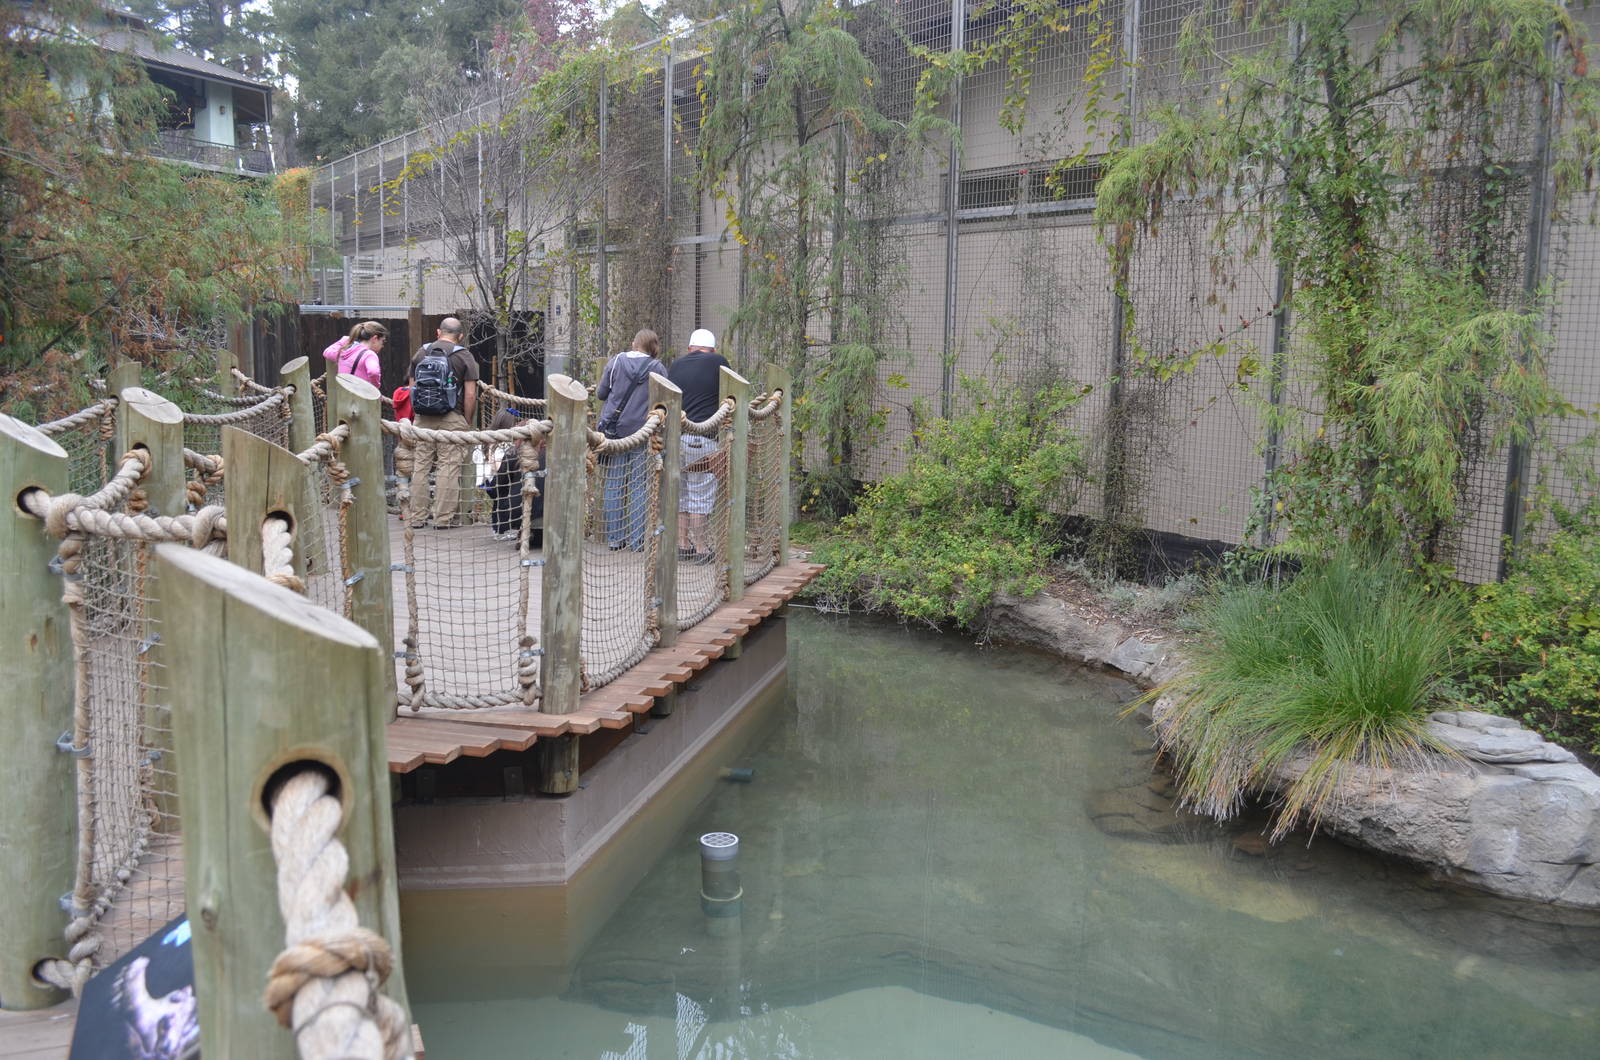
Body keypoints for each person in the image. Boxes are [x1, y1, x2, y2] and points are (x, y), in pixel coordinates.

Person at [595, 329, 668, 550]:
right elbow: (665, 400)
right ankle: (638, 541)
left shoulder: (616, 361)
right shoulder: (657, 368)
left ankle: (615, 539)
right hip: (642, 431)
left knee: (614, 483)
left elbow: (600, 394)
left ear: (634, 343)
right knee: (638, 485)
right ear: (654, 346)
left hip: (615, 431)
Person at [406, 317, 480, 529]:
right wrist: (465, 419)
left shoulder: (422, 353)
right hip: (452, 417)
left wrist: (417, 415)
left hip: (423, 418)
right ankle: (442, 519)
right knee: (448, 468)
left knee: (421, 466)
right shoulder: (464, 356)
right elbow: (470, 394)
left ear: (438, 332)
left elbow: (412, 387)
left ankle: (417, 517)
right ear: (461, 336)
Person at [667, 328, 731, 564]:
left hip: (677, 438)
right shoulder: (718, 362)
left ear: (689, 349)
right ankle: (702, 549)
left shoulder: (676, 366)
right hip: (704, 437)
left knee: (682, 493)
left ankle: (683, 545)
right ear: (713, 350)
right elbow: (732, 393)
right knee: (701, 495)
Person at [480, 407, 545, 545]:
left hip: (518, 511)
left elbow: (498, 486)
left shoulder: (513, 453)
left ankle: (501, 529)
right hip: (546, 510)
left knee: (501, 490)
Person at [322, 321, 386, 390]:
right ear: (375, 339)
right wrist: (375, 388)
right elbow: (373, 372)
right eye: (383, 341)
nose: (382, 345)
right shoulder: (369, 355)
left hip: (343, 395)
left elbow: (327, 352)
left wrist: (345, 340)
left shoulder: (344, 351)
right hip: (361, 396)